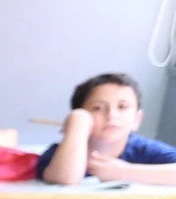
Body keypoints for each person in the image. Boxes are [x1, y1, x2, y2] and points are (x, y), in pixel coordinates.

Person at [38, 71, 176, 186]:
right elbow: (64, 180)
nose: (111, 115)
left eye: (122, 107)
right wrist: (77, 126)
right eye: (98, 108)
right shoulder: (59, 154)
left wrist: (123, 172)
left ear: (136, 119)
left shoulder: (144, 149)